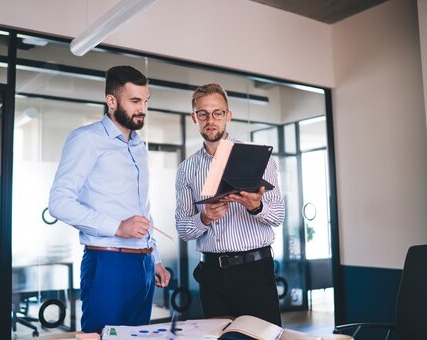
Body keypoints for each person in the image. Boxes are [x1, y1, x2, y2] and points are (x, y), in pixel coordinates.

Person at [49, 65, 170, 333]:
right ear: (111, 101)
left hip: (145, 264)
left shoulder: (139, 146)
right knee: (102, 337)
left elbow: (142, 209)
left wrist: (156, 257)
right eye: (135, 101)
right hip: (108, 263)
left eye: (146, 101)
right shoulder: (86, 139)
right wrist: (117, 226)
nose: (143, 108)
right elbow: (59, 202)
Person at [175, 83, 285, 326]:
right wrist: (204, 217)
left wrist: (255, 206)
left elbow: (278, 215)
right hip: (212, 275)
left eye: (217, 113)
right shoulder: (186, 169)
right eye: (202, 113)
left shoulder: (259, 158)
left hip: (255, 271)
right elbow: (183, 229)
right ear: (194, 117)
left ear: (228, 116)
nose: (210, 120)